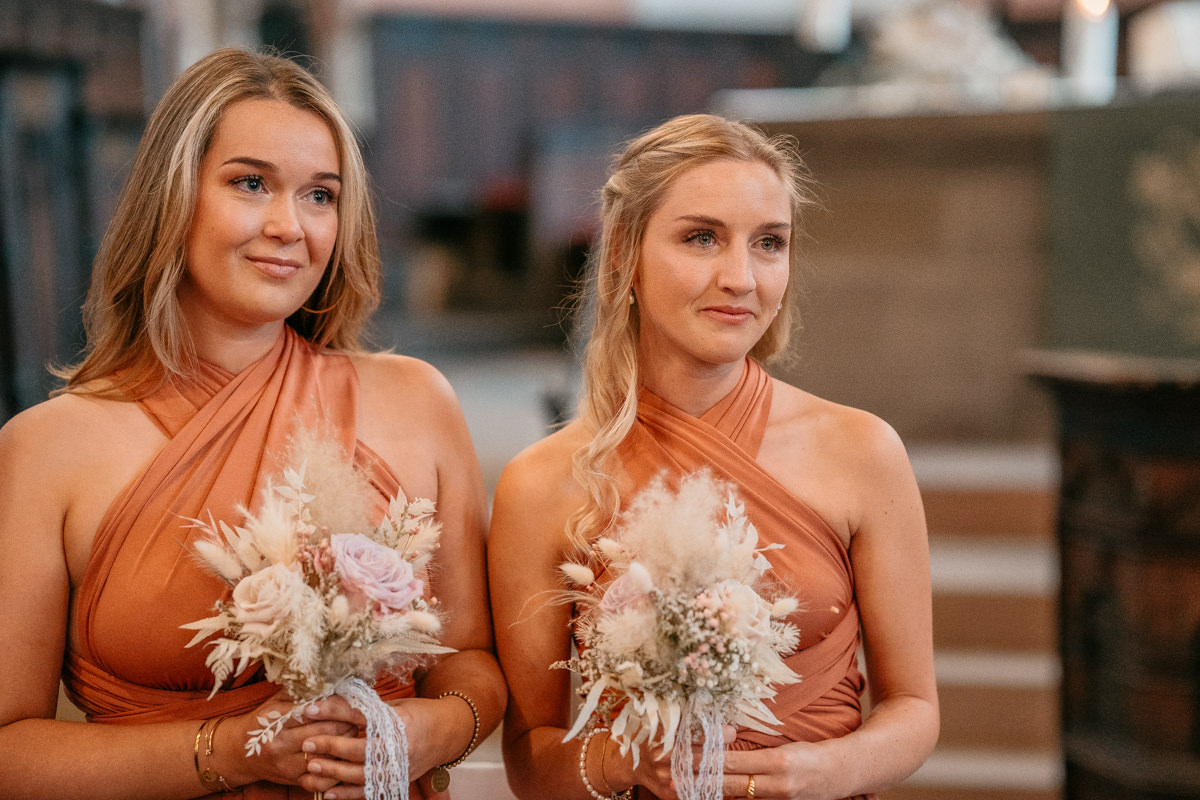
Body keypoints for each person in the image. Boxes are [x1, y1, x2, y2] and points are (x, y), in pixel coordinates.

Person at [0, 47, 505, 799]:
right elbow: (8, 749)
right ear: (174, 197)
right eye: (250, 183)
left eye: (320, 196)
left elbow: (471, 658)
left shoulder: (417, 401)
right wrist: (230, 751)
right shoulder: (47, 447)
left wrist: (432, 729)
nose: (288, 225)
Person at [489, 113, 938, 800]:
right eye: (701, 238)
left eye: (769, 244)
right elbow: (529, 756)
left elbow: (915, 709)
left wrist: (827, 771)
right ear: (621, 256)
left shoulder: (862, 451)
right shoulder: (542, 483)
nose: (740, 276)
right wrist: (623, 763)